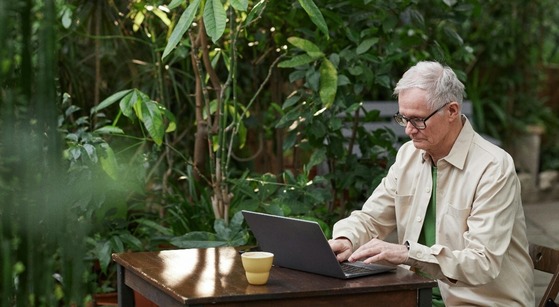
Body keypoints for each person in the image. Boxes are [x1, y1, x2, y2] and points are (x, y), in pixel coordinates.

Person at [328, 61, 535, 306]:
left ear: (452, 111)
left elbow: (482, 263)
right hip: (415, 297)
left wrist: (407, 253)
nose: (408, 130)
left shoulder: (493, 167)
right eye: (403, 118)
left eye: (417, 120)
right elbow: (372, 218)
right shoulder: (408, 156)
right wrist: (346, 239)